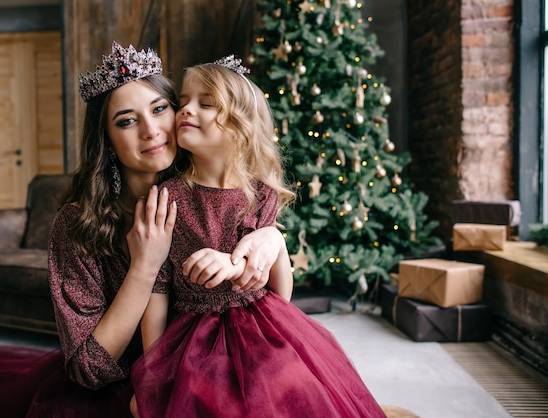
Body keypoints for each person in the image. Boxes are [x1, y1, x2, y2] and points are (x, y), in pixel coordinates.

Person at [0, 42, 286, 418]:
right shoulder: (77, 224)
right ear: (108, 142)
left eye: (160, 109)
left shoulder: (208, 192)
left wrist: (272, 237)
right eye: (127, 121)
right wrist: (144, 266)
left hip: (205, 374)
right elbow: (87, 369)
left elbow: (264, 297)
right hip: (124, 390)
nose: (150, 130)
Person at [130, 57, 387, 417]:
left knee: (293, 389)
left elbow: (280, 294)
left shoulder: (260, 193)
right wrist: (153, 374)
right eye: (184, 100)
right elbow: (158, 288)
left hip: (261, 326)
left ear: (240, 125)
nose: (186, 109)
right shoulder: (169, 197)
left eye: (206, 103)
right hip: (195, 338)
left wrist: (263, 248)